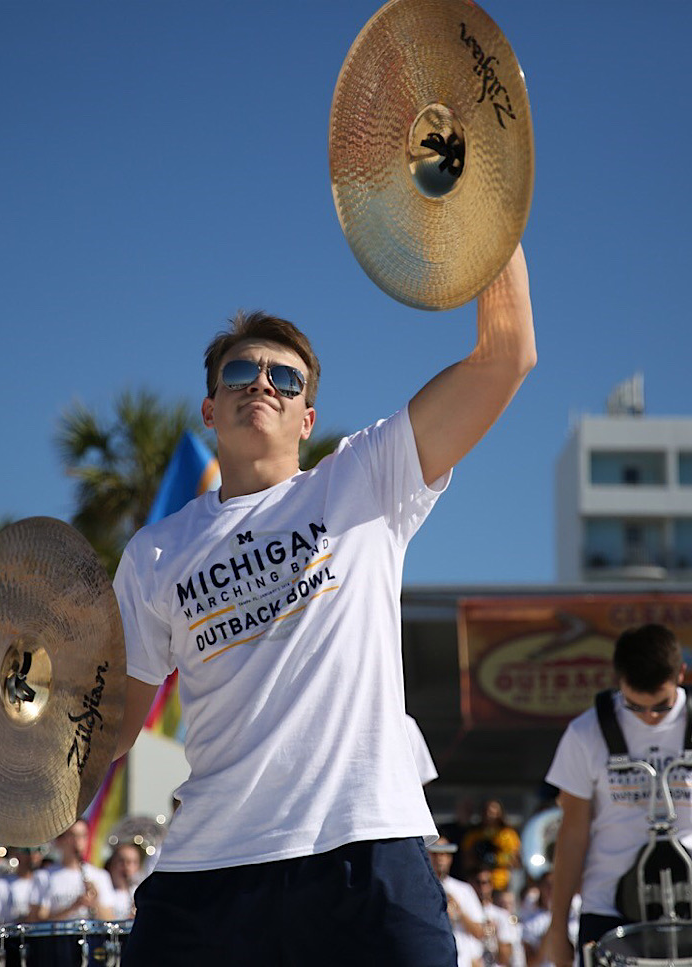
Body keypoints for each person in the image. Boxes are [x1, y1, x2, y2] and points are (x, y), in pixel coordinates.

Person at [110, 246, 535, 966]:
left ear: (308, 417)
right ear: (210, 408)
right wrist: (6, 753)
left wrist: (491, 212)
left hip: (364, 849)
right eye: (240, 373)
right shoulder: (154, 552)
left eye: (285, 378)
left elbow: (506, 357)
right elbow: (116, 725)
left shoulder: (364, 479)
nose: (262, 384)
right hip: (209, 871)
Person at [539, 623, 692, 966]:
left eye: (661, 706)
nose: (650, 717)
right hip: (607, 909)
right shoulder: (585, 733)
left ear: (681, 674)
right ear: (619, 681)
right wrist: (557, 928)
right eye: (635, 706)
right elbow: (572, 835)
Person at [28, 819, 115, 921]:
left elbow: (110, 920)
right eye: (73, 836)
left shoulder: (100, 875)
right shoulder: (44, 876)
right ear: (60, 840)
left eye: (83, 836)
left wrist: (95, 901)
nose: (78, 842)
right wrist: (73, 907)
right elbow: (37, 920)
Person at [430, 838, 488, 967]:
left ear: (450, 858)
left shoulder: (464, 889)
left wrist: (459, 913)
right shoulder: (421, 889)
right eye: (435, 853)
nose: (440, 858)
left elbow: (480, 931)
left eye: (444, 853)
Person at [461, 798, 522, 892]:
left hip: (502, 883)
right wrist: (479, 860)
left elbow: (515, 860)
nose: (490, 815)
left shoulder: (508, 834)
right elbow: (467, 860)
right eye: (487, 812)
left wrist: (496, 859)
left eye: (494, 812)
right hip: (479, 884)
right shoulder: (473, 835)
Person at [0, 846, 41, 922]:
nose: (32, 855)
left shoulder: (43, 881)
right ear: (17, 854)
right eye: (26, 851)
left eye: (37, 850)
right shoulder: (2, 883)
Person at [103, 842, 142, 919]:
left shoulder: (139, 893)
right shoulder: (103, 889)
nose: (127, 867)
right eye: (121, 861)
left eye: (133, 862)